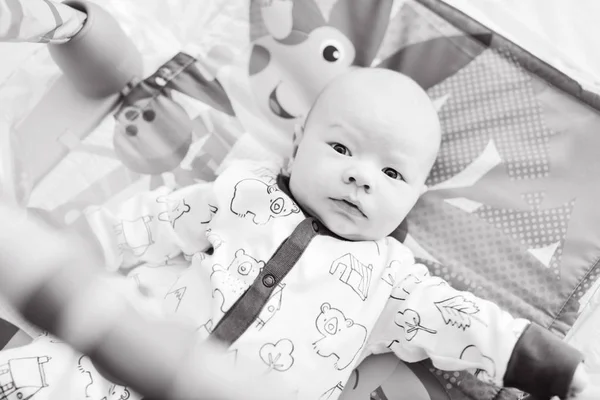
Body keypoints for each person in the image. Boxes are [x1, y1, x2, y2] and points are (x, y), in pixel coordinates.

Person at [0, 68, 590, 400]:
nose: (361, 175)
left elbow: (466, 324)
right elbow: (153, 222)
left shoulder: (393, 284)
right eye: (341, 148)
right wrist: (66, 250)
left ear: (413, 197)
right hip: (112, 365)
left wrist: (554, 368)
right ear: (296, 144)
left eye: (391, 173)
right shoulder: (241, 194)